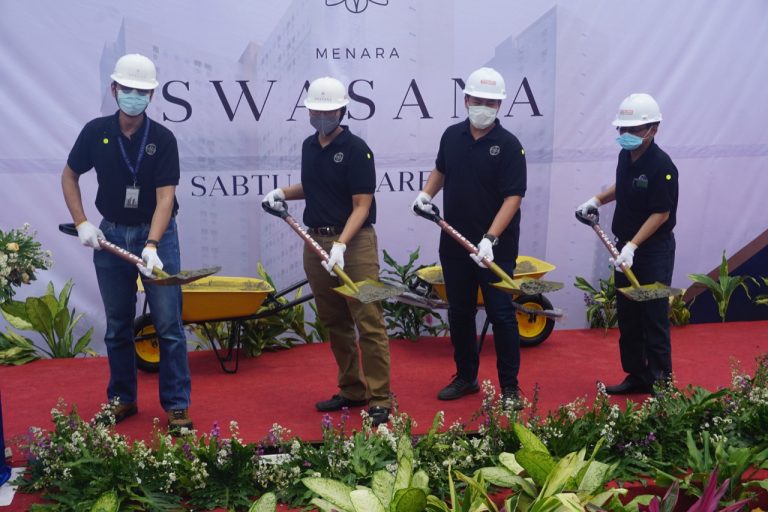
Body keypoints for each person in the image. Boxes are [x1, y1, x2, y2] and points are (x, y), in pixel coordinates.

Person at [61, 54, 192, 433]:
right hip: (111, 235)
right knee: (118, 324)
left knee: (168, 325)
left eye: (142, 91)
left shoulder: (163, 139)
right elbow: (69, 177)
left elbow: (165, 197)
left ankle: (178, 407)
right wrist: (83, 222)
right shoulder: (95, 132)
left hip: (157, 236)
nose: (134, 96)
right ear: (114, 89)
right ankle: (122, 399)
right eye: (127, 89)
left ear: (152, 94)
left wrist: (151, 244)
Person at [262, 76, 391, 426]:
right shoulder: (309, 145)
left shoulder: (357, 149)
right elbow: (315, 186)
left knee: (368, 319)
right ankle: (352, 389)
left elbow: (362, 205)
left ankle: (380, 397)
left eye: (328, 110)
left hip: (354, 242)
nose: (321, 116)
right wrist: (283, 194)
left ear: (342, 109)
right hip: (315, 242)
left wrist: (342, 245)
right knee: (334, 321)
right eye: (315, 110)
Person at [412, 67, 527, 407]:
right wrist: (426, 195)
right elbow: (441, 170)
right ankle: (466, 377)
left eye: (492, 102)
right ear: (466, 100)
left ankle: (509, 388)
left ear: (500, 105)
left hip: (495, 249)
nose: (485, 107)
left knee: (502, 314)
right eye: (479, 100)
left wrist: (490, 237)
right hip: (454, 242)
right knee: (460, 312)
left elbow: (513, 197)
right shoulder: (451, 136)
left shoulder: (509, 146)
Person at [576, 93, 678, 395]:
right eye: (623, 130)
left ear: (653, 129)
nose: (627, 136)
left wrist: (633, 246)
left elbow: (661, 213)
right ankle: (637, 375)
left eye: (635, 130)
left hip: (653, 252)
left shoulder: (663, 166)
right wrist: (596, 199)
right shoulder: (626, 156)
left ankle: (662, 382)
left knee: (653, 317)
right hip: (623, 250)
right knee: (630, 317)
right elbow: (624, 185)